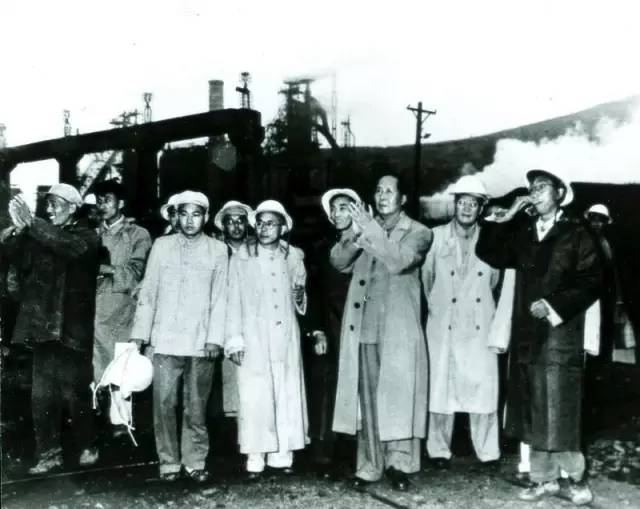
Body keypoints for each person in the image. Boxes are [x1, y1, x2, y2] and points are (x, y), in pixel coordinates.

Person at [476, 169, 602, 505]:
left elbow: (592, 280)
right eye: (532, 187)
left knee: (560, 409)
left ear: (560, 193)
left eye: (543, 186)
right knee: (532, 407)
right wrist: (507, 216)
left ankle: (576, 480)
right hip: (527, 333)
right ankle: (543, 479)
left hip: (561, 333)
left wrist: (553, 305)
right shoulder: (524, 232)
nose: (535, 191)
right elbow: (489, 253)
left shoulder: (578, 233)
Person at [330, 173, 432, 491]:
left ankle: (399, 464)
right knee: (369, 401)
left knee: (399, 397)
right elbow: (338, 261)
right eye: (378, 190)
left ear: (403, 199)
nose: (382, 195)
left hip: (398, 330)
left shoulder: (419, 232)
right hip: (365, 328)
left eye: (390, 191)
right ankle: (370, 465)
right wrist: (356, 231)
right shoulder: (366, 228)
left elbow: (399, 261)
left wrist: (369, 230)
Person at [1, 184, 100, 473]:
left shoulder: (86, 236)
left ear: (74, 207)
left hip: (72, 331)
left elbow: (67, 246)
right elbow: (16, 257)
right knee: (41, 395)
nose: (50, 209)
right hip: (44, 329)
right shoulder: (41, 234)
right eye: (48, 204)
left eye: (56, 203)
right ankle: (49, 453)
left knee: (75, 392)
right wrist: (18, 231)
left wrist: (33, 224)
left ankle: (88, 445)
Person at [130, 191, 228, 482]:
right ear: (175, 216)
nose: (189, 221)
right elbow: (149, 292)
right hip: (165, 340)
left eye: (196, 214)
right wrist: (139, 337)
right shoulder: (162, 246)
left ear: (205, 217)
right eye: (183, 214)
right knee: (163, 405)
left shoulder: (218, 250)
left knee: (196, 407)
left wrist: (215, 338)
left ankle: (195, 461)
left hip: (201, 342)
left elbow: (220, 297)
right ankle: (168, 463)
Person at [225, 200, 309, 480]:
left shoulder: (293, 255)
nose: (264, 228)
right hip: (254, 337)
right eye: (260, 223)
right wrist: (235, 339)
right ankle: (255, 456)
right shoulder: (242, 257)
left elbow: (300, 295)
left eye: (270, 223)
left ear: (283, 227)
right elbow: (232, 300)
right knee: (255, 396)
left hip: (285, 337)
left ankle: (282, 454)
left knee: (285, 393)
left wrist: (300, 297)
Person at [422, 175, 501, 469]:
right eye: (462, 202)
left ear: (481, 208)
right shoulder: (435, 237)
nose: (467, 208)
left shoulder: (492, 238)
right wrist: (440, 308)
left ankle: (488, 452)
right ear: (454, 205)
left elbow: (494, 281)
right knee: (440, 387)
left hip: (479, 323)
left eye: (473, 203)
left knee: (484, 387)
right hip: (444, 323)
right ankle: (438, 451)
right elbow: (427, 280)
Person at [301, 188, 361, 477]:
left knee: (357, 390)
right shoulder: (320, 246)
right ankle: (324, 455)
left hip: (360, 325)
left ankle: (355, 455)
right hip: (330, 326)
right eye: (333, 209)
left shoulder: (369, 243)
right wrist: (317, 330)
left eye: (344, 207)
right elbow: (312, 290)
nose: (337, 213)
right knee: (326, 389)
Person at [92, 179, 152, 435]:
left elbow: (137, 272)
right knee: (96, 366)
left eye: (107, 200)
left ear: (121, 203)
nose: (102, 205)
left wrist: (105, 269)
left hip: (123, 311)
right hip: (93, 309)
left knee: (121, 365)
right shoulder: (91, 233)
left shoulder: (138, 235)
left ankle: (122, 424)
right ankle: (97, 421)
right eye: (99, 201)